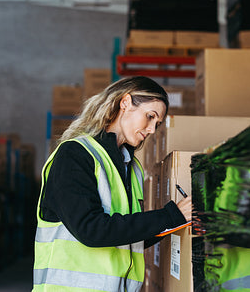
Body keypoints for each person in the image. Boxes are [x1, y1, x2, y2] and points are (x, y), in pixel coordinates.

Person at [32, 76, 192, 292]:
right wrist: (169, 215)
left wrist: (178, 220)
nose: (153, 129)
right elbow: (91, 230)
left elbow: (127, 237)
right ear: (125, 103)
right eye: (150, 116)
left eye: (157, 123)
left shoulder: (131, 167)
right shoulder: (75, 154)